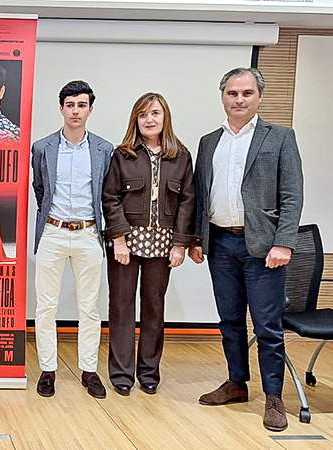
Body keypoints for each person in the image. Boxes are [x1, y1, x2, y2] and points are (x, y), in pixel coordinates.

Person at [192, 67, 303, 432]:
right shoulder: (209, 141)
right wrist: (197, 239)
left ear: (259, 97)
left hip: (264, 247)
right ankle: (237, 383)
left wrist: (284, 242)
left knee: (268, 326)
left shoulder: (280, 137)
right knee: (229, 321)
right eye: (232, 93)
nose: (239, 99)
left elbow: (292, 195)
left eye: (246, 93)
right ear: (223, 97)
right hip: (220, 243)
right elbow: (201, 195)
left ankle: (274, 397)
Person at [102, 92, 198, 397]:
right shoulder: (123, 155)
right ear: (136, 120)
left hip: (163, 245)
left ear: (164, 117)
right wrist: (119, 239)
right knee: (121, 308)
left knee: (154, 308)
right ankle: (121, 374)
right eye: (143, 114)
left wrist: (180, 244)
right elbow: (110, 197)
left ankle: (148, 372)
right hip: (125, 245)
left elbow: (187, 203)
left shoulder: (181, 156)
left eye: (155, 113)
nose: (149, 119)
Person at [31, 80, 113, 398]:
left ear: (90, 110)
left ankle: (89, 370)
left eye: (81, 105)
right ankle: (48, 370)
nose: (75, 111)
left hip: (88, 233)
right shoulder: (43, 147)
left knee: (89, 308)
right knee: (46, 306)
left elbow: (106, 193)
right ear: (61, 109)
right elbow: (40, 190)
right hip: (52, 232)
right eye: (70, 105)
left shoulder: (104, 149)